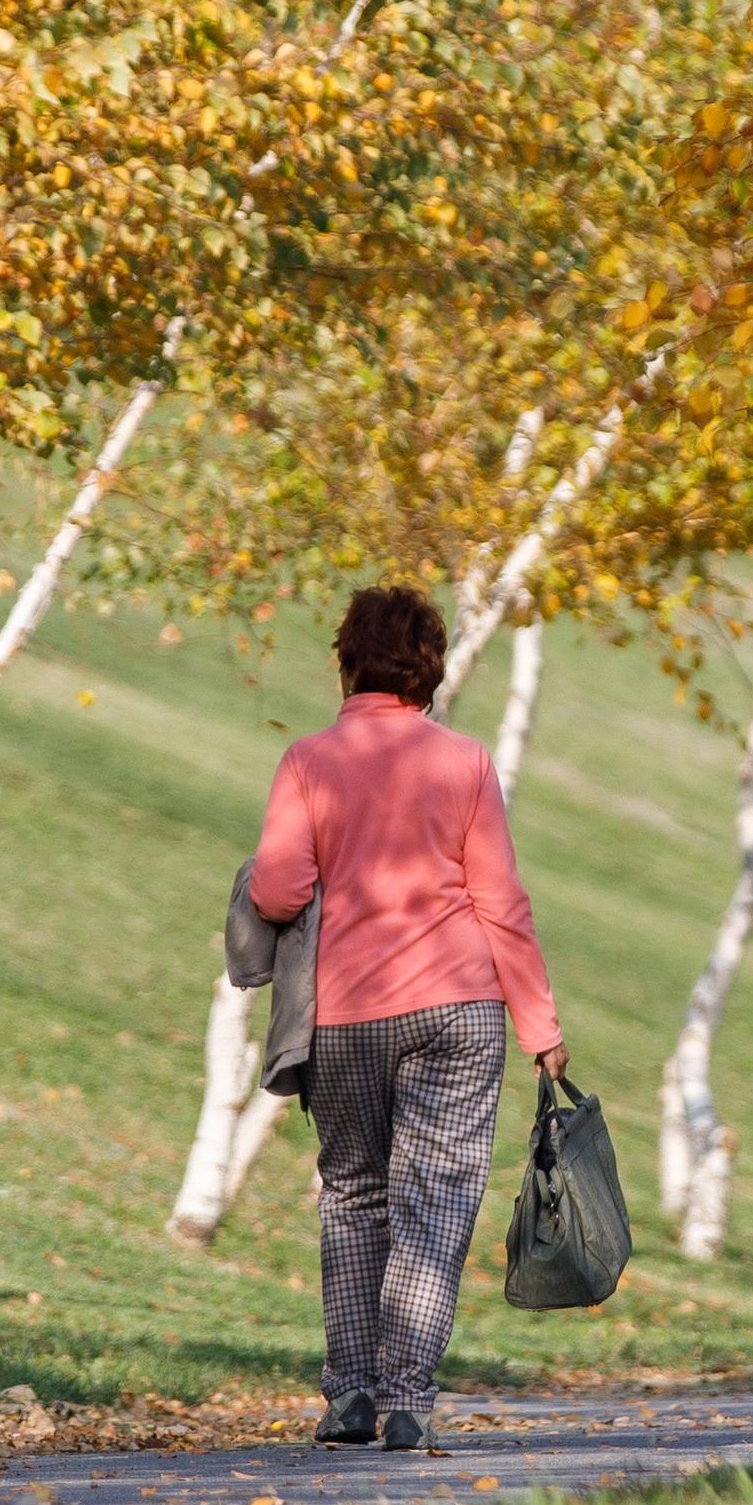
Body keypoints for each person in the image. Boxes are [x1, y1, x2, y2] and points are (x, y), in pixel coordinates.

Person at [246, 584, 565, 1451]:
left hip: (344, 1013)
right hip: (458, 1012)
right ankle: (407, 1397)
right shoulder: (463, 761)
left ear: (347, 659)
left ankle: (349, 1392)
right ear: (429, 666)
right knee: (436, 1200)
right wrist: (540, 1027)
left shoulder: (307, 762)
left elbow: (278, 888)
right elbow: (502, 902)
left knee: (353, 1193)